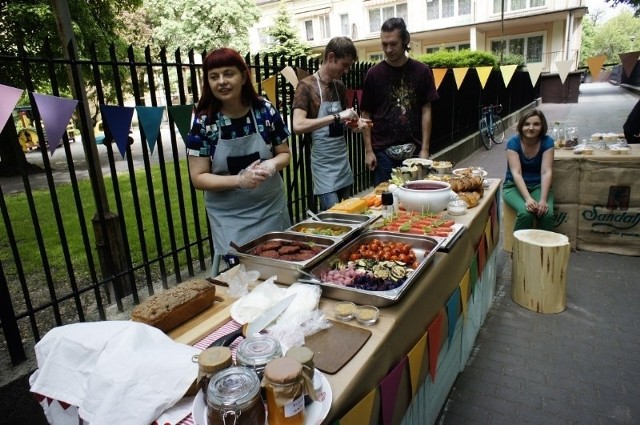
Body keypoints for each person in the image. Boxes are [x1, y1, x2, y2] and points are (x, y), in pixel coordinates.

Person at [186, 47, 291, 268]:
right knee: (243, 271)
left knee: (280, 265)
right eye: (214, 77)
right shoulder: (204, 122)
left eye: (228, 73)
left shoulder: (265, 111)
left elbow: (285, 154)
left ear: (244, 76)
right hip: (230, 218)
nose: (221, 81)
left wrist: (270, 165)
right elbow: (198, 177)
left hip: (270, 210)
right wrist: (239, 180)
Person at [292, 37, 370, 210]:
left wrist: (353, 124)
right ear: (331, 57)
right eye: (344, 65)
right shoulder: (306, 86)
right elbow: (298, 126)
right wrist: (336, 117)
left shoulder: (339, 86)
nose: (347, 70)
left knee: (349, 213)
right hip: (323, 167)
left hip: (342, 162)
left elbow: (340, 123)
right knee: (336, 217)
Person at [360, 17, 439, 186]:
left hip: (415, 152)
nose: (388, 49)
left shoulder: (422, 71)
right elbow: (365, 113)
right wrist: (368, 150)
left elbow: (427, 110)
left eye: (393, 44)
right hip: (382, 154)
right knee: (385, 204)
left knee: (417, 202)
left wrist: (425, 149)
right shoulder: (373, 74)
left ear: (405, 41)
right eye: (384, 44)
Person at [503, 109, 555, 231]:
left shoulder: (547, 142)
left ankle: (543, 248)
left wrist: (543, 200)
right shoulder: (513, 143)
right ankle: (519, 248)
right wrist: (528, 199)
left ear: (542, 126)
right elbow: (517, 173)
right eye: (527, 124)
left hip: (538, 185)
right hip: (513, 186)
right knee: (526, 213)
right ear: (521, 126)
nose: (531, 128)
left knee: (547, 214)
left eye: (536, 124)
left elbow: (546, 171)